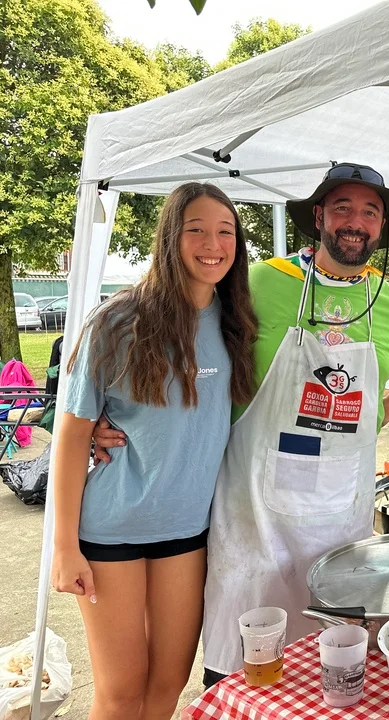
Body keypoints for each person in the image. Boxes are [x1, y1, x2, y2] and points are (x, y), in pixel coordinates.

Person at [93, 164, 389, 686]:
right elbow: (173, 325)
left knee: (327, 664)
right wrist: (105, 408)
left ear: (381, 226)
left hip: (338, 519)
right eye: (343, 208)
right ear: (318, 216)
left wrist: (384, 411)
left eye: (370, 212)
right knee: (240, 667)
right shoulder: (258, 282)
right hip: (252, 517)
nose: (356, 222)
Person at [52, 183, 258, 719]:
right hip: (112, 529)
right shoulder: (118, 320)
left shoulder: (236, 321)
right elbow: (71, 434)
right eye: (196, 230)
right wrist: (64, 547)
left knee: (169, 682)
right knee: (121, 690)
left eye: (226, 232)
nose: (212, 244)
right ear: (170, 237)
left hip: (187, 532)